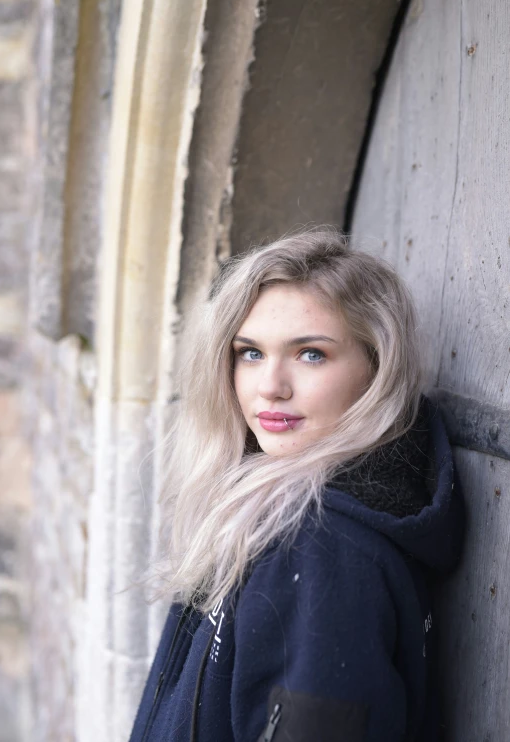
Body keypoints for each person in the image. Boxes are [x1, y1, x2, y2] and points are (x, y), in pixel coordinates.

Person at [128, 228, 465, 742]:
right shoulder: (269, 515)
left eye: (311, 354)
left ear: (376, 368)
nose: (270, 386)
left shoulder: (319, 547)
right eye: (250, 353)